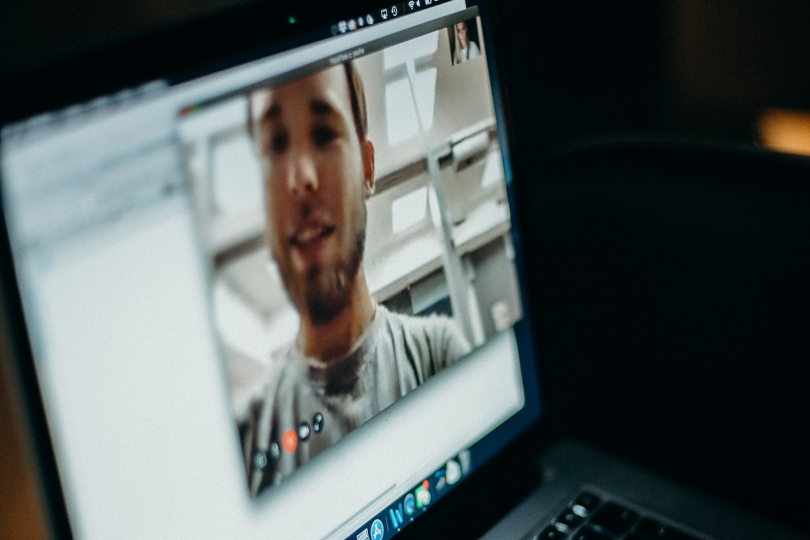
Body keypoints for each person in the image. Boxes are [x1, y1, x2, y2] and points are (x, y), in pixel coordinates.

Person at [242, 62, 471, 496]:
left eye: (325, 134)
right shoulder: (249, 437)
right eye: (275, 144)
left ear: (368, 167)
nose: (300, 180)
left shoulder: (437, 355)